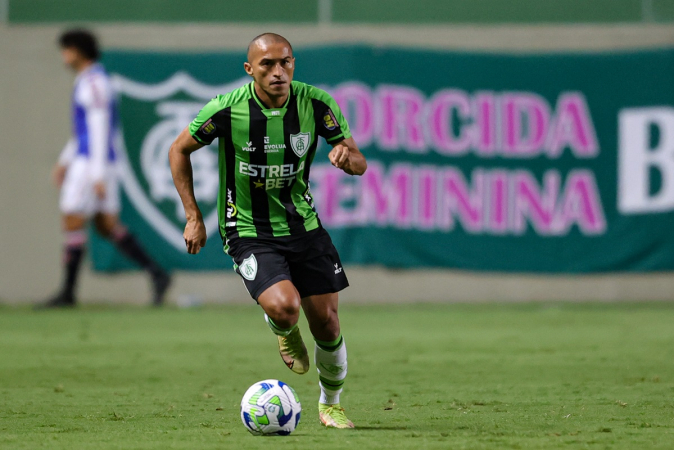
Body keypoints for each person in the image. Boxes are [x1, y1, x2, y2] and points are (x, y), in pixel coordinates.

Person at [169, 33, 367, 428]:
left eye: (286, 62)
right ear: (250, 70)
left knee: (327, 323)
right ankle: (282, 327)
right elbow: (178, 150)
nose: (278, 72)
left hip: (304, 226)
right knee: (285, 305)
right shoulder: (226, 109)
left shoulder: (316, 103)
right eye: (267, 65)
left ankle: (331, 403)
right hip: (247, 228)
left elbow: (359, 160)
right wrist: (193, 215)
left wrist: (349, 160)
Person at [41, 29, 171, 308]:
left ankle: (67, 292)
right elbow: (83, 131)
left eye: (66, 50)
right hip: (94, 161)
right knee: (106, 225)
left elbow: (100, 130)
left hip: (91, 164)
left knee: (72, 218)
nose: (64, 56)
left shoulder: (94, 83)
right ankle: (157, 272)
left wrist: (96, 174)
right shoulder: (90, 81)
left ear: (77, 50)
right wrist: (65, 161)